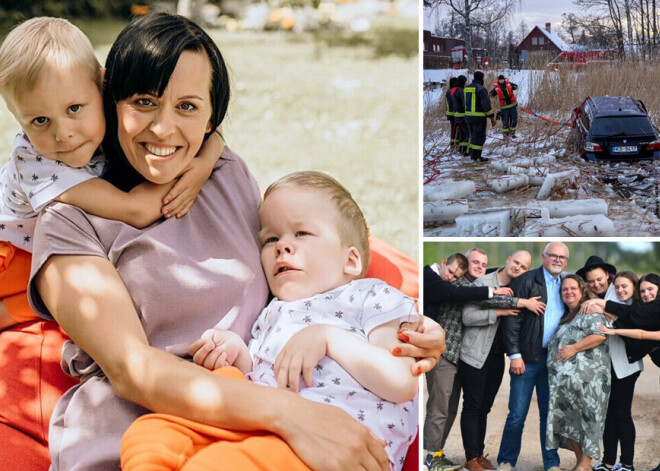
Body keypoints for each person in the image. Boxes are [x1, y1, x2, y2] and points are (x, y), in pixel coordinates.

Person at [22, 13, 442, 471]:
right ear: (110, 95)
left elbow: (312, 273)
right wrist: (294, 415)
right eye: (144, 101)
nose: (163, 130)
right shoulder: (67, 223)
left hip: (273, 418)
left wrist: (410, 337)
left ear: (210, 118)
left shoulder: (223, 172)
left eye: (187, 107)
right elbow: (131, 370)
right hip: (148, 430)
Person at [120, 171, 418, 471]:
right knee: (148, 433)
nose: (282, 246)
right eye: (271, 238)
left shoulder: (370, 296)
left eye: (301, 234)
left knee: (221, 463)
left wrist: (327, 337)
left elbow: (401, 383)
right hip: (273, 423)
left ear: (351, 261)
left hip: (338, 448)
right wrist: (237, 355)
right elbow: (264, 377)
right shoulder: (272, 312)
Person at [0, 17, 224, 328]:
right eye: (39, 121)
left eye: (74, 109)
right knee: (54, 299)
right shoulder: (37, 163)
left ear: (104, 86)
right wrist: (194, 169)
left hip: (40, 246)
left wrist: (209, 155)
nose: (63, 134)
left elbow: (210, 122)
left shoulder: (108, 107)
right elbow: (134, 210)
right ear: (17, 117)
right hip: (12, 256)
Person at [424, 252, 515, 471]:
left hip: (457, 357)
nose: (480, 267)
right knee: (439, 408)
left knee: (450, 408)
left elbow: (491, 273)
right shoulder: (457, 286)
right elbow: (484, 295)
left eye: (484, 265)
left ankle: (436, 454)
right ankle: (428, 458)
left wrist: (508, 271)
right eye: (475, 262)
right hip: (444, 353)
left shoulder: (468, 282)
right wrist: (519, 301)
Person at [459, 250, 546, 471]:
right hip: (475, 354)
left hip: (497, 357)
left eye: (524, 266)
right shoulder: (483, 282)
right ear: (508, 260)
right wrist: (499, 312)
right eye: (516, 262)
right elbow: (467, 317)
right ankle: (471, 458)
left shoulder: (520, 287)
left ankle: (478, 455)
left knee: (485, 408)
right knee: (472, 405)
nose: (518, 267)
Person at [497, 242, 568, 471]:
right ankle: (507, 460)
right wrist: (514, 354)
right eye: (553, 256)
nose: (557, 260)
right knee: (517, 414)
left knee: (549, 415)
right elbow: (512, 320)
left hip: (553, 360)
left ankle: (551, 463)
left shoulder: (566, 284)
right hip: (526, 358)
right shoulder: (526, 281)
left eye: (562, 257)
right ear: (544, 257)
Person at [546, 275, 610, 471]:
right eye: (565, 289)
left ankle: (584, 465)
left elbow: (599, 335)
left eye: (573, 288)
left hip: (589, 381)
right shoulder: (568, 316)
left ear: (582, 290)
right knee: (569, 422)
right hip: (565, 383)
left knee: (590, 420)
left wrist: (574, 348)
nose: (569, 292)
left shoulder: (590, 310)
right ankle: (581, 462)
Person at [592, 271, 643, 471]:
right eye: (618, 287)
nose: (621, 290)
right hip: (609, 366)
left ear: (634, 288)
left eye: (625, 286)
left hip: (626, 367)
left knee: (622, 413)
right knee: (609, 414)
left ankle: (627, 463)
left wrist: (613, 320)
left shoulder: (637, 309)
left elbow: (634, 338)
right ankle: (608, 461)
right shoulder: (611, 301)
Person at [464, 71, 496, 163]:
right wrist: (492, 117)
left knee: (472, 136)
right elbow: (486, 105)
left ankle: (472, 154)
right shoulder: (481, 89)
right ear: (481, 78)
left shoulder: (466, 88)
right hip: (478, 118)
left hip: (468, 117)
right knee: (479, 138)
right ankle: (477, 157)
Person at [489, 75, 518, 140]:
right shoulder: (497, 87)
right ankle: (505, 135)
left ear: (504, 80)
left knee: (514, 119)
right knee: (505, 121)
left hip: (512, 105)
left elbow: (516, 87)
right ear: (498, 80)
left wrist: (513, 87)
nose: (501, 81)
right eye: (500, 80)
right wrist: (493, 94)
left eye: (502, 79)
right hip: (504, 107)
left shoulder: (509, 84)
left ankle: (512, 133)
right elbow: (491, 94)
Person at [451, 75, 470, 157]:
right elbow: (465, 103)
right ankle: (465, 150)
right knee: (467, 133)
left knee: (461, 133)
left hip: (457, 116)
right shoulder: (461, 91)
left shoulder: (453, 90)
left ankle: (461, 149)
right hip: (463, 116)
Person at [446, 77, 458, 152]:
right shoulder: (452, 92)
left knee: (454, 130)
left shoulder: (449, 91)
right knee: (455, 130)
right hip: (453, 114)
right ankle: (454, 146)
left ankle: (453, 145)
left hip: (450, 114)